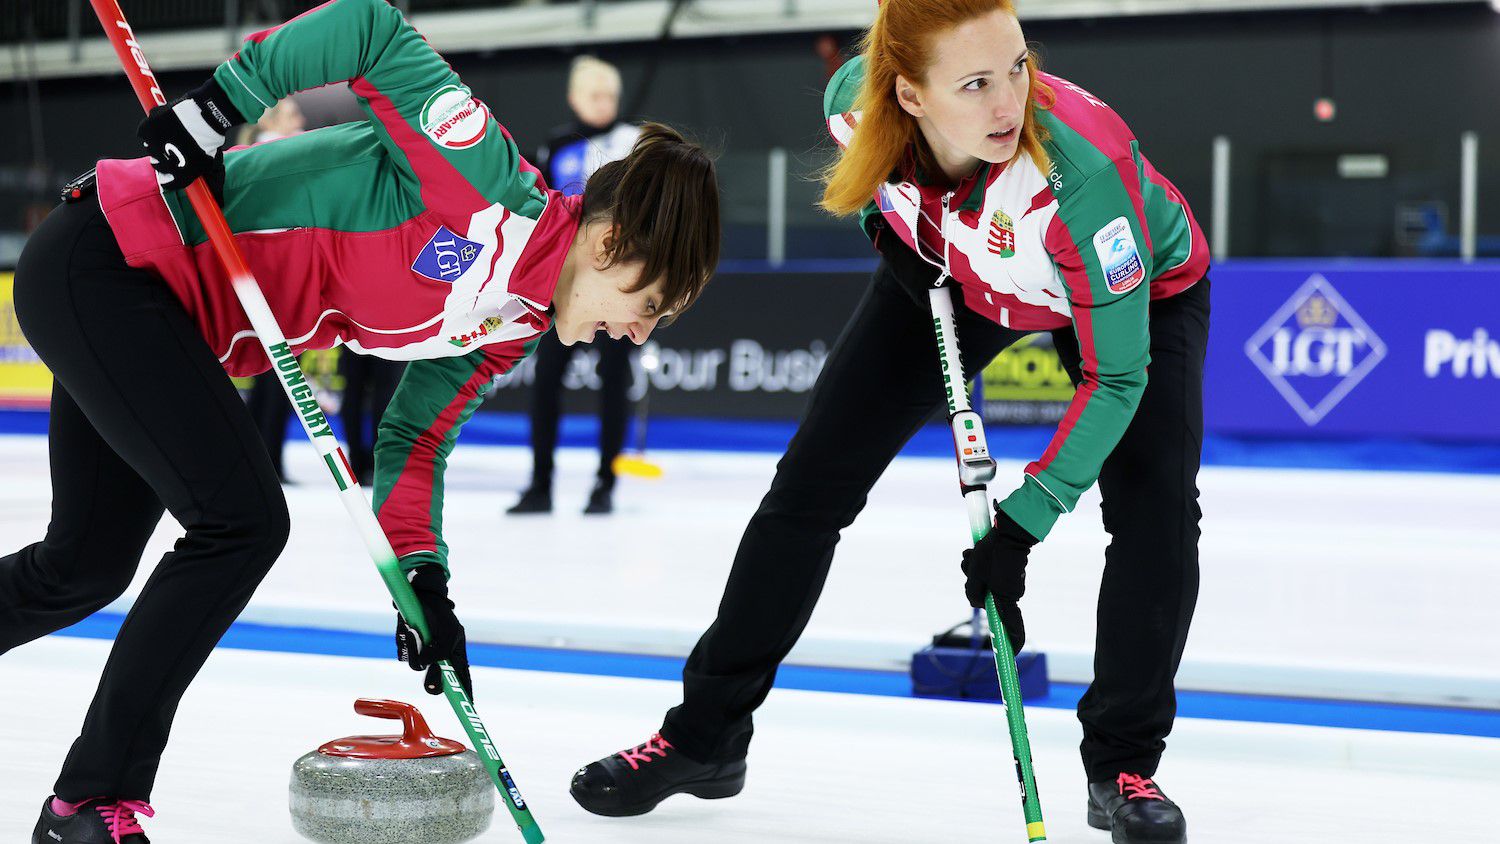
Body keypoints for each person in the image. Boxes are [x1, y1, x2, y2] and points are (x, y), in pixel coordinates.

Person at [1, 2, 719, 842]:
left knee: (80, 568)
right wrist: (220, 105)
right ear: (611, 244)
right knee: (240, 524)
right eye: (649, 306)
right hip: (116, 259)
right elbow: (370, 29)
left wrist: (426, 586)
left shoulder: (509, 323)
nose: (636, 333)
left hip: (157, 316)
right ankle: (88, 806)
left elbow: (415, 442)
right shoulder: (483, 183)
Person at [570, 2, 1208, 843]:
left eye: (1017, 67)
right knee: (808, 489)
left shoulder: (1083, 178)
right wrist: (892, 231)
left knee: (1156, 509)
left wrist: (1022, 524)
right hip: (958, 276)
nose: (1008, 103)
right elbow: (870, 172)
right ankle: (706, 737)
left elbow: (1116, 378)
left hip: (1134, 296)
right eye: (973, 83)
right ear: (907, 95)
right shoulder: (854, 101)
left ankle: (1123, 765)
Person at [509, 56, 644, 516]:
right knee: (545, 381)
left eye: (610, 95)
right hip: (561, 287)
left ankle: (605, 484)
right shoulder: (555, 144)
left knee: (613, 383)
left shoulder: (635, 143)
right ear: (574, 98)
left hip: (618, 284)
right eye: (594, 95)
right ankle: (540, 483)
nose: (604, 104)